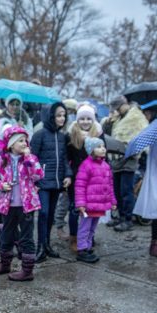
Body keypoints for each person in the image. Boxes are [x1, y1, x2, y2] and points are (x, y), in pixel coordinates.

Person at [0, 125, 44, 281]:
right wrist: (1, 185)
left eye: (25, 140)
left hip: (26, 205)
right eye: (20, 141)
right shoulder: (1, 159)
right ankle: (5, 263)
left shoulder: (31, 159)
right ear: (11, 144)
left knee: (26, 237)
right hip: (8, 204)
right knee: (6, 234)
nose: (24, 143)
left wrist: (28, 159)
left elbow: (38, 176)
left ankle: (27, 270)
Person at [29, 102, 71, 262]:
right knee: (44, 213)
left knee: (51, 214)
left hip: (57, 182)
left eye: (64, 115)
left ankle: (47, 245)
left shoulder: (62, 136)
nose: (62, 118)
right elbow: (32, 158)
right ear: (50, 116)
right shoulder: (39, 134)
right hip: (42, 182)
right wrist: (35, 181)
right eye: (59, 115)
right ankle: (40, 246)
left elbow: (65, 159)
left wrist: (67, 175)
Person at [102, 96, 148, 232]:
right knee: (116, 191)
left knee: (126, 191)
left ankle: (128, 219)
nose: (115, 111)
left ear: (123, 105)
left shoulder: (135, 117)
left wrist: (132, 150)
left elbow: (140, 135)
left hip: (129, 159)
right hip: (116, 159)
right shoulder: (118, 118)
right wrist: (109, 122)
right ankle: (119, 217)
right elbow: (108, 134)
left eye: (117, 108)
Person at [65, 104, 104, 252]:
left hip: (93, 178)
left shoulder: (99, 133)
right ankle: (74, 237)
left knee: (91, 208)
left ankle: (88, 237)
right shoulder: (71, 134)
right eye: (82, 119)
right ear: (77, 120)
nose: (86, 122)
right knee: (75, 208)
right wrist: (68, 175)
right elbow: (67, 157)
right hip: (76, 178)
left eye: (89, 118)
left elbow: (103, 154)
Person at [74, 137, 116, 263]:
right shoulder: (86, 165)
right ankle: (81, 249)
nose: (102, 149)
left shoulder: (106, 166)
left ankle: (87, 246)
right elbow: (80, 185)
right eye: (98, 147)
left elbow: (110, 185)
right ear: (91, 150)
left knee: (92, 227)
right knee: (84, 227)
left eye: (103, 146)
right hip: (88, 205)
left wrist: (113, 201)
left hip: (99, 204)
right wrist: (81, 203)